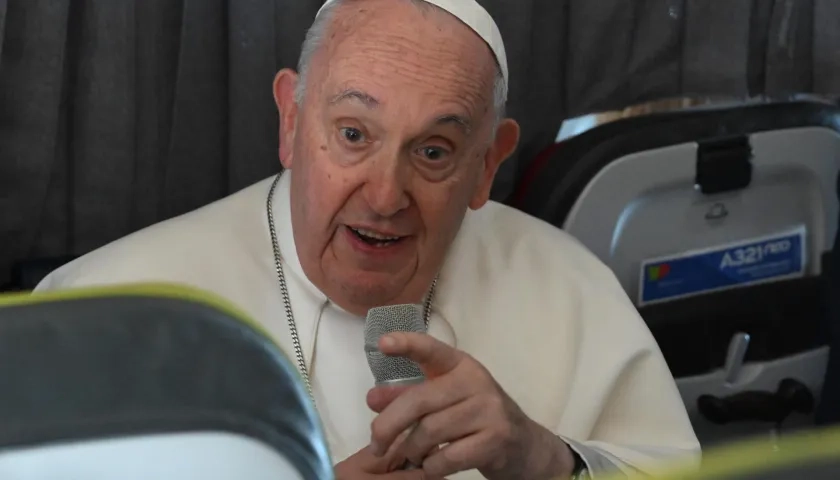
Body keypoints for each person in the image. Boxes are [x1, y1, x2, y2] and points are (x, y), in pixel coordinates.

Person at [34, 0, 701, 478]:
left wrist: (548, 462)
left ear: (488, 164)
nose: (385, 196)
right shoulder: (103, 310)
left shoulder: (566, 287)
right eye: (354, 134)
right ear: (292, 121)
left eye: (434, 151)